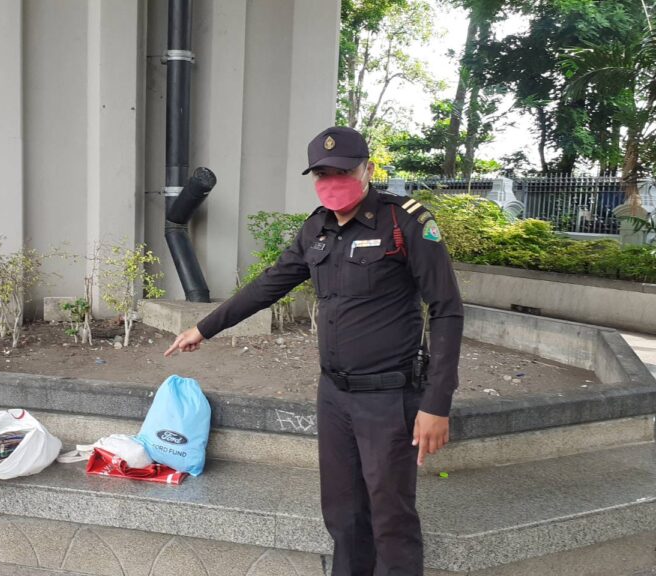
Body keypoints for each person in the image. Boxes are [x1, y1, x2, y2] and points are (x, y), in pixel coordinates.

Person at [165, 126, 464, 576]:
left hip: (389, 397)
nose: (332, 181)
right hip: (334, 397)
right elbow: (269, 285)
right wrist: (204, 328)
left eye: (343, 171)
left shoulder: (405, 222)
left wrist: (437, 404)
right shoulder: (316, 228)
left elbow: (446, 310)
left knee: (391, 519)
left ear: (368, 169)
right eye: (322, 173)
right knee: (344, 515)